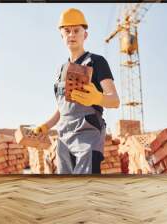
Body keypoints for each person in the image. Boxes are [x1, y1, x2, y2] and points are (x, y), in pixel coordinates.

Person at [34, 8, 120, 174]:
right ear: (62, 36)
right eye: (67, 31)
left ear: (85, 35)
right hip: (64, 139)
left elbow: (115, 100)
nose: (71, 35)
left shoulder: (96, 62)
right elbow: (62, 109)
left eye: (76, 31)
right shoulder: (61, 71)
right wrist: (45, 126)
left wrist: (97, 98)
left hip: (88, 138)